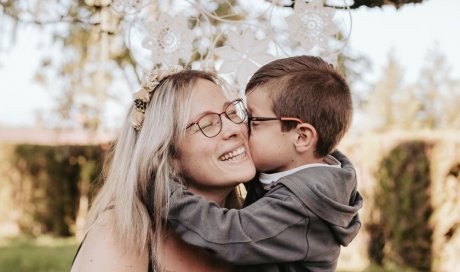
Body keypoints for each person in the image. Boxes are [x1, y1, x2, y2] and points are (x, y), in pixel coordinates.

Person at [167, 55, 364, 271]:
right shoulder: (297, 168)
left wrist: (165, 192)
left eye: (255, 120)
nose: (242, 126)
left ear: (302, 137)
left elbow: (229, 234)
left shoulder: (300, 206)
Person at [70, 67, 256, 272]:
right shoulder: (122, 231)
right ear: (167, 154)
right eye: (208, 123)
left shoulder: (254, 227)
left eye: (232, 112)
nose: (234, 129)